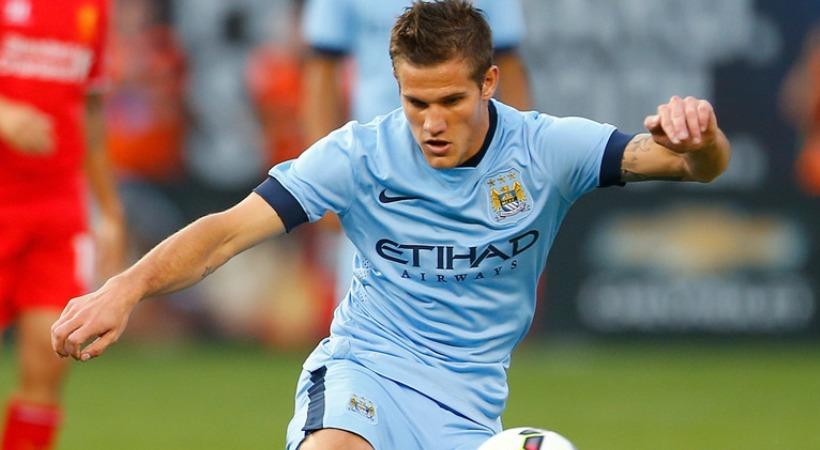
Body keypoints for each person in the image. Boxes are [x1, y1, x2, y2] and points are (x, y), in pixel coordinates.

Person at [50, 1, 731, 449]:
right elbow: (226, 231)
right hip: (366, 372)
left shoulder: (548, 150)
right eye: (415, 101)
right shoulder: (359, 155)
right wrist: (125, 288)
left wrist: (699, 139)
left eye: (451, 100)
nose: (432, 123)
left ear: (490, 82)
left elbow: (689, 166)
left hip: (470, 411)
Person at [302, 0, 532, 303]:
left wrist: (515, 164)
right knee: (363, 302)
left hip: (467, 165)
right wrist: (323, 178)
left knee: (472, 302)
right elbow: (322, 68)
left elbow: (509, 67)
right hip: (375, 167)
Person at [0, 0, 126, 449]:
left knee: (48, 361)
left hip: (57, 208)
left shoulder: (94, 9)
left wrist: (108, 210)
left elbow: (90, 109)